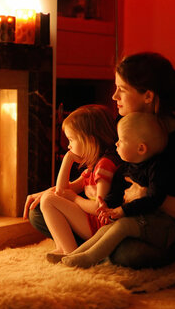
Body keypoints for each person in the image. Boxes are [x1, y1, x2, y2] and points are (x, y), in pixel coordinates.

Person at [25, 52, 175, 269]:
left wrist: (147, 195)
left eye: (122, 90)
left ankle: (101, 249)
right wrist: (56, 191)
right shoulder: (124, 122)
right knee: (38, 212)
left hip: (151, 227)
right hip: (111, 214)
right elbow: (102, 170)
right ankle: (97, 248)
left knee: (127, 255)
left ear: (148, 96)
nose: (114, 97)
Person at [59, 112, 168, 268]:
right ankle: (73, 255)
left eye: (121, 141)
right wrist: (106, 208)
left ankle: (89, 259)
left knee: (122, 227)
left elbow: (153, 199)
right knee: (107, 229)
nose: (116, 144)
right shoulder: (124, 168)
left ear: (141, 148)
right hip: (132, 217)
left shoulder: (157, 169)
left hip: (153, 223)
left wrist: (122, 211)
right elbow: (115, 195)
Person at [38, 104, 120, 257]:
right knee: (48, 198)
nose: (68, 145)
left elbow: (99, 207)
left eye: (71, 139)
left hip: (101, 225)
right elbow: (61, 191)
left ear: (89, 140)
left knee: (48, 200)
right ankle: (63, 248)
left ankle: (70, 251)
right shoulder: (92, 168)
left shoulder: (105, 166)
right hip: (92, 222)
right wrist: (68, 159)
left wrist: (74, 198)